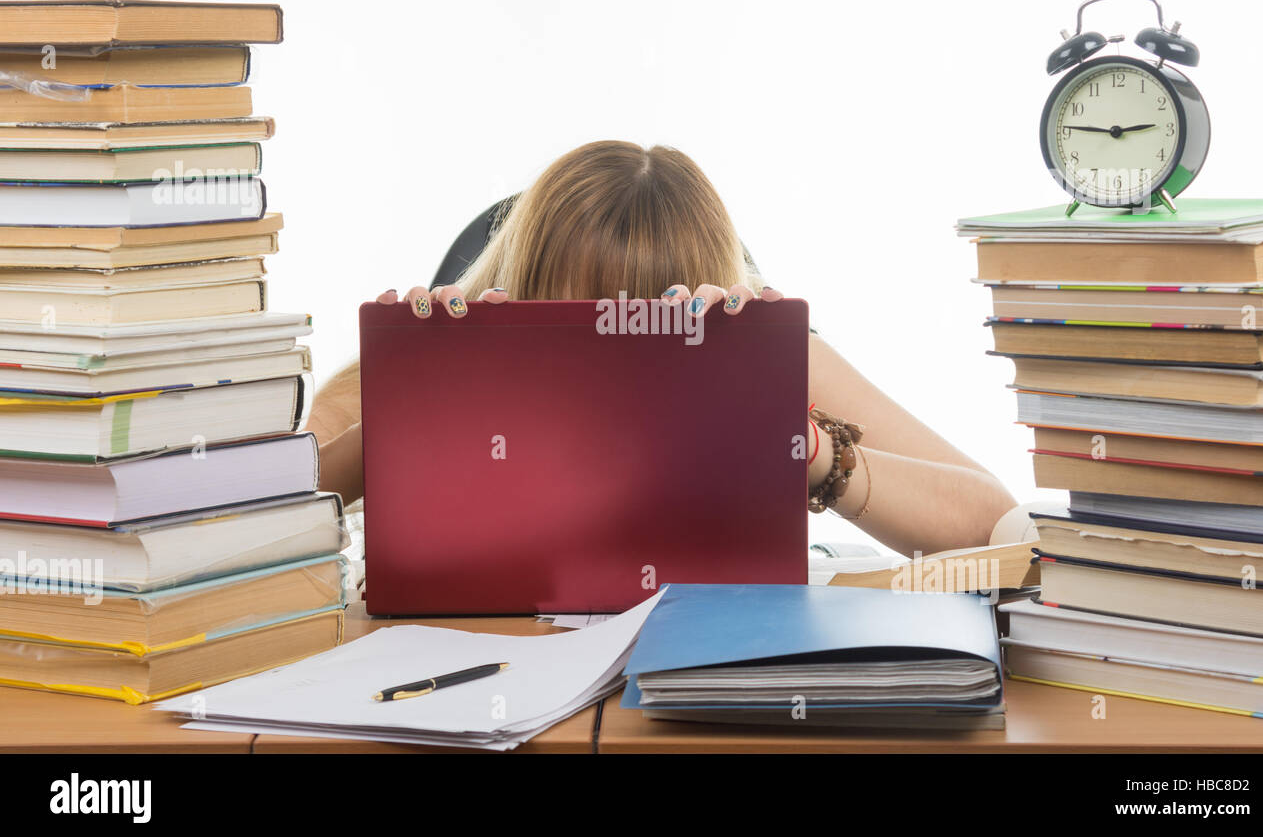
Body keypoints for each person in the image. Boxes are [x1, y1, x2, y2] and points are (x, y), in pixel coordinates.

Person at [307, 140, 1018, 555]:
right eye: (578, 332)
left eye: (649, 340)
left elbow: (997, 527)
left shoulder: (764, 356)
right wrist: (414, 410)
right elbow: (257, 521)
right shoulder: (442, 358)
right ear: (518, 293)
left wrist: (809, 448)